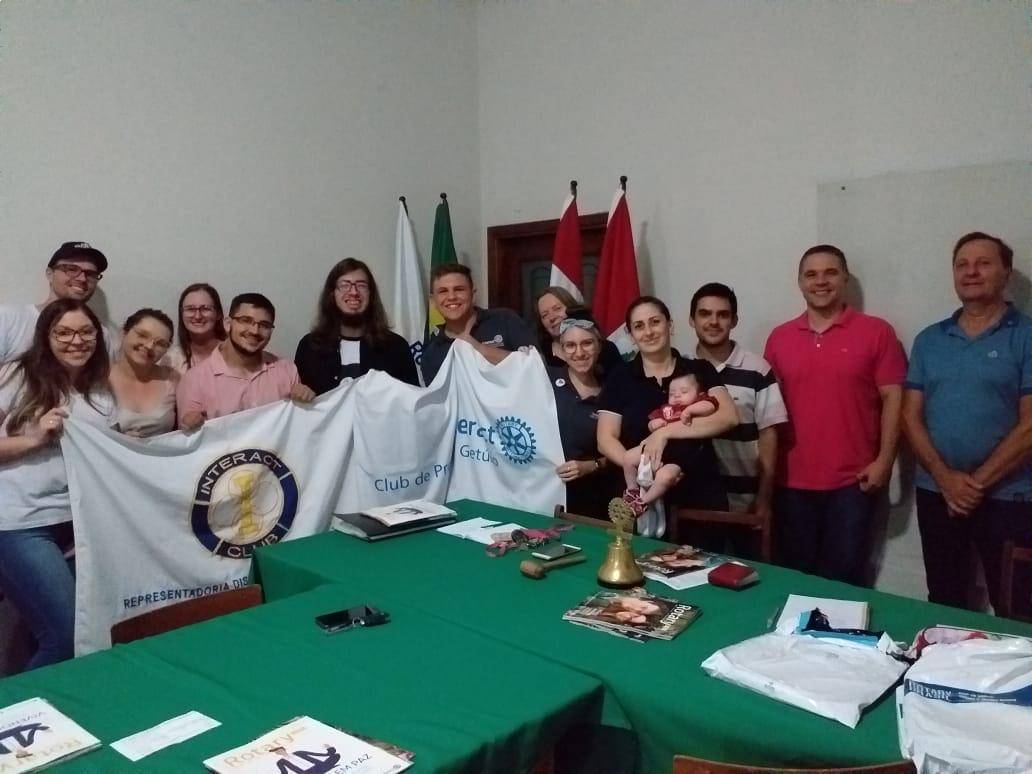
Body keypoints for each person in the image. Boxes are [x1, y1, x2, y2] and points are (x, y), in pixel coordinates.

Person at [901, 232, 1032, 615]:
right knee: (944, 600)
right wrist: (946, 480)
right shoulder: (930, 340)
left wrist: (974, 485)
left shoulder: (1026, 336)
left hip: (1010, 497)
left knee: (1016, 607)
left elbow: (1030, 425)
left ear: (1006, 273)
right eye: (962, 264)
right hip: (936, 492)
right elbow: (910, 416)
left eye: (983, 263)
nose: (971, 272)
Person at [764, 245, 905, 586]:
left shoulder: (877, 332)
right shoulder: (780, 338)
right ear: (800, 282)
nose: (821, 281)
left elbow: (894, 398)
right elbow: (767, 410)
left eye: (830, 273)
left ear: (844, 279)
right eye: (811, 274)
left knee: (844, 584)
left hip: (853, 484)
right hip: (790, 482)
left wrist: (885, 461)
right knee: (793, 581)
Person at [0, 299, 113, 670]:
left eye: (85, 332)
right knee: (65, 636)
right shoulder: (17, 377)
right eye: (63, 332)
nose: (76, 341)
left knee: (82, 631)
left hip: (79, 526)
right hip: (22, 523)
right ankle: (22, 707)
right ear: (45, 337)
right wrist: (32, 439)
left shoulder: (100, 390)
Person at [597, 296, 739, 535]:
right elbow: (605, 439)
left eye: (655, 322)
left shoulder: (699, 370)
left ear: (669, 325)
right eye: (639, 326)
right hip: (639, 500)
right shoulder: (620, 377)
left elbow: (728, 417)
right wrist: (644, 471)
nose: (648, 332)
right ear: (630, 335)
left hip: (698, 494)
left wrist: (664, 433)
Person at [689, 282, 787, 523]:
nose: (714, 322)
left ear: (734, 321)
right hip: (691, 501)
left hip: (745, 503)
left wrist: (764, 497)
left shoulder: (758, 370)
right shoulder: (680, 369)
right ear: (692, 320)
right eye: (705, 314)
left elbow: (769, 435)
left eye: (723, 315)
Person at [176, 293, 314, 429]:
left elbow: (299, 426)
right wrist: (190, 423)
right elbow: (189, 436)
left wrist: (305, 400)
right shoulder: (195, 380)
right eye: (246, 320)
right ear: (228, 324)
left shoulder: (287, 370)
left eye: (264, 325)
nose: (255, 331)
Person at [294, 258, 418, 393]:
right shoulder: (309, 347)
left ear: (371, 295)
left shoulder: (397, 347)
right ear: (332, 294)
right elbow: (297, 400)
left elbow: (411, 400)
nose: (353, 292)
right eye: (344, 285)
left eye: (361, 285)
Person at [548, 310, 623, 517]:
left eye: (587, 343)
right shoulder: (544, 380)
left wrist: (592, 465)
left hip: (593, 501)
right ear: (561, 350)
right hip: (544, 496)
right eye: (570, 345)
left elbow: (623, 451)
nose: (579, 353)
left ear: (599, 345)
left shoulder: (613, 391)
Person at [616, 373, 719, 515]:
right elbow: (650, 424)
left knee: (666, 477)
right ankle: (632, 490)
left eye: (684, 391)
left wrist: (690, 410)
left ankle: (643, 502)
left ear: (699, 394)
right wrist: (655, 424)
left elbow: (710, 406)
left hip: (681, 455)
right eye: (672, 393)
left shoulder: (698, 404)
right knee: (627, 457)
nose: (677, 396)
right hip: (656, 449)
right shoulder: (665, 409)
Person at [0, 241, 117, 364]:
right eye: (72, 269)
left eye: (90, 274)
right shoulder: (8, 318)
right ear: (50, 274)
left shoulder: (101, 335)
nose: (82, 278)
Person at [420, 263, 537, 384]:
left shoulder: (504, 319)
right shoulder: (431, 354)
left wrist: (478, 348)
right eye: (443, 291)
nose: (451, 297)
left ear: (472, 294)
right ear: (433, 301)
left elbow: (537, 366)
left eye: (459, 289)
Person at [109, 309, 179, 437]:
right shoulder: (100, 377)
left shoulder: (172, 379)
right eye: (142, 335)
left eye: (160, 343)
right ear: (123, 333)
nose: (149, 346)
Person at [536, 286, 622, 374]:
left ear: (571, 308)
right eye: (545, 315)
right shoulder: (538, 357)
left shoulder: (606, 349)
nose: (552, 317)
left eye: (557, 309)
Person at [163, 283, 226, 374]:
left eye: (205, 308)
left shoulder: (235, 354)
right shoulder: (171, 360)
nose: (197, 316)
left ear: (218, 314)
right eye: (190, 309)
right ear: (181, 314)